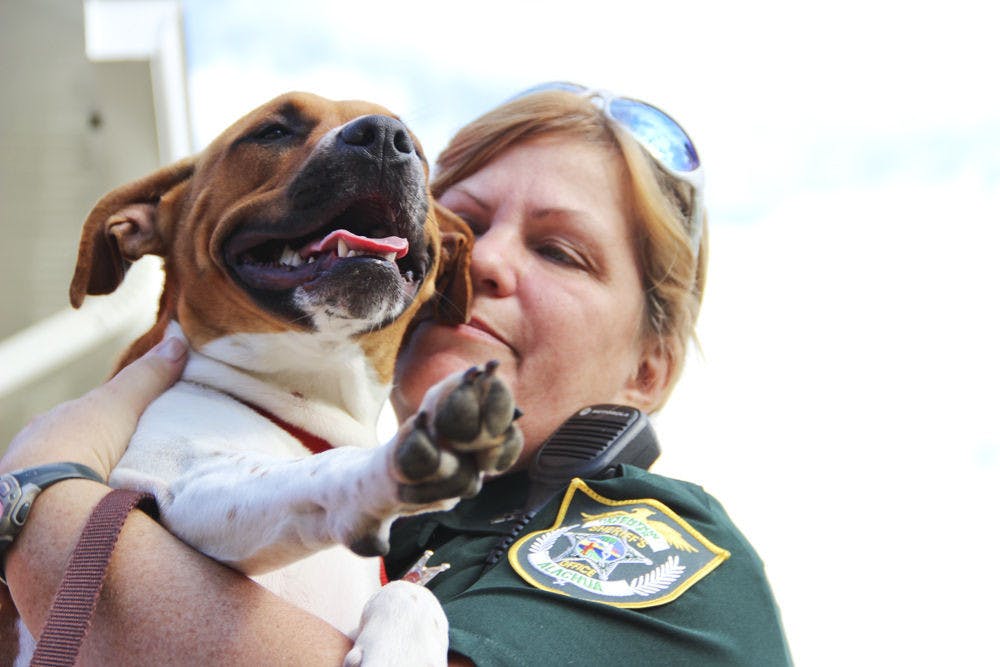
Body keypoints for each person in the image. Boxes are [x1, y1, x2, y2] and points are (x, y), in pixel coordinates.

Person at [1, 83, 791, 665]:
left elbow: (124, 620)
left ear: (649, 370)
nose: (480, 260)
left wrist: (35, 497)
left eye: (559, 251)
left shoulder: (668, 548)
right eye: (466, 225)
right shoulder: (406, 527)